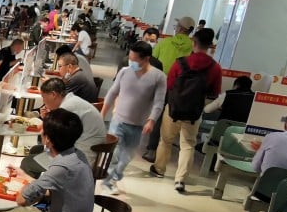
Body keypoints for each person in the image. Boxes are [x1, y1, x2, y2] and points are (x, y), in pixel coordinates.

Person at [150, 28, 222, 193]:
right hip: (194, 112)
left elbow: (169, 85)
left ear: (194, 42)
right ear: (211, 45)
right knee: (188, 144)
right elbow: (214, 92)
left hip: (173, 108)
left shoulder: (180, 62)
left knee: (166, 140)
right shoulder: (215, 68)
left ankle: (159, 169)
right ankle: (180, 180)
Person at [100, 41, 166, 191]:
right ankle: (110, 182)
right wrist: (102, 113)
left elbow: (159, 102)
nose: (131, 62)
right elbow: (112, 93)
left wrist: (151, 120)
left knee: (127, 157)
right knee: (115, 153)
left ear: (146, 58)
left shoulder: (158, 77)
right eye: (130, 58)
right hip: (118, 121)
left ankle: (114, 177)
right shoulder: (124, 72)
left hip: (139, 125)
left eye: (134, 60)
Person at [21, 77, 107, 179]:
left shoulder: (67, 107)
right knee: (35, 149)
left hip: (81, 158)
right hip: (83, 149)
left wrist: (47, 119)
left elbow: (50, 137)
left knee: (27, 163)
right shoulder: (71, 100)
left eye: (43, 97)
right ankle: (43, 183)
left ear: (53, 94)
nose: (43, 101)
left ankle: (39, 187)